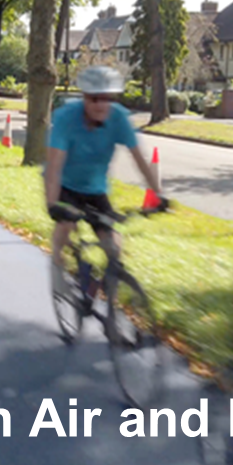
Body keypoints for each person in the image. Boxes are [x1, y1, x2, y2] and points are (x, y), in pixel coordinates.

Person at [44, 66, 165, 294]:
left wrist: (158, 194)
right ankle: (57, 262)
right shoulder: (66, 118)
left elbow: (139, 158)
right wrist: (52, 205)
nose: (101, 104)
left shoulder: (118, 118)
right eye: (94, 98)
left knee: (113, 244)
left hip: (96, 188)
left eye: (107, 98)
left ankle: (104, 290)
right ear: (84, 98)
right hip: (65, 184)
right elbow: (54, 166)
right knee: (67, 224)